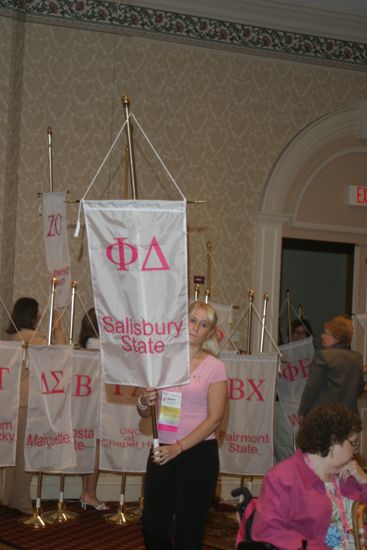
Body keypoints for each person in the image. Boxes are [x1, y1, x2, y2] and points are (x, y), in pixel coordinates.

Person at [137, 301, 228, 550]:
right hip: (162, 448)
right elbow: (144, 412)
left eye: (203, 324)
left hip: (197, 454)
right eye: (192, 319)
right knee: (152, 523)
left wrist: (179, 447)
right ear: (182, 322)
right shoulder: (161, 360)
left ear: (209, 333)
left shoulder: (215, 367)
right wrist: (145, 400)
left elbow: (215, 419)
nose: (195, 326)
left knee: (189, 528)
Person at [238, 404, 367, 549]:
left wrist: (364, 480)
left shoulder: (347, 476)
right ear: (333, 441)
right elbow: (267, 531)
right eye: (353, 443)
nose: (355, 451)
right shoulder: (285, 477)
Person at [2, 297, 64, 514]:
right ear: (31, 316)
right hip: (28, 401)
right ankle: (20, 499)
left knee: (13, 454)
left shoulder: (10, 338)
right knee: (26, 455)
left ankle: (9, 496)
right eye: (37, 315)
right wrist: (57, 327)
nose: (39, 319)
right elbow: (61, 355)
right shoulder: (34, 340)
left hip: (11, 401)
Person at [299, 315, 363, 418]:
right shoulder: (357, 358)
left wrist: (302, 411)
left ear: (337, 337)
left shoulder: (323, 356)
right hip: (350, 418)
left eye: (326, 333)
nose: (322, 336)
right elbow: (359, 388)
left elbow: (312, 388)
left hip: (326, 418)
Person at [78, 308, 108, 511]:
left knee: (87, 445)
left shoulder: (85, 348)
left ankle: (85, 492)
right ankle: (90, 493)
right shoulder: (102, 349)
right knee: (95, 448)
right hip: (99, 403)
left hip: (84, 404)